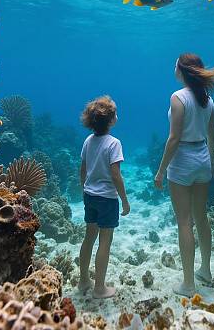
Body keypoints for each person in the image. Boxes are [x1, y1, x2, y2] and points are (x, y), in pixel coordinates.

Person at [155, 53, 214, 296]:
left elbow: (174, 139)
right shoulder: (208, 99)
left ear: (182, 70)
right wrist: (211, 162)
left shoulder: (178, 98)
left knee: (184, 221)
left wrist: (161, 171)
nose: (173, 67)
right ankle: (205, 270)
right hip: (203, 157)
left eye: (175, 64)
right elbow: (212, 135)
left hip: (182, 161)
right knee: (201, 217)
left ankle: (188, 284)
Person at [78, 95, 130, 299]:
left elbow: (82, 169)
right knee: (105, 242)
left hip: (90, 196)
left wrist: (84, 189)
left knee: (88, 238)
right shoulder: (114, 143)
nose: (117, 115)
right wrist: (124, 200)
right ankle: (100, 288)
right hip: (107, 199)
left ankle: (83, 280)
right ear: (110, 120)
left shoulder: (88, 140)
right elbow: (116, 174)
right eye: (115, 113)